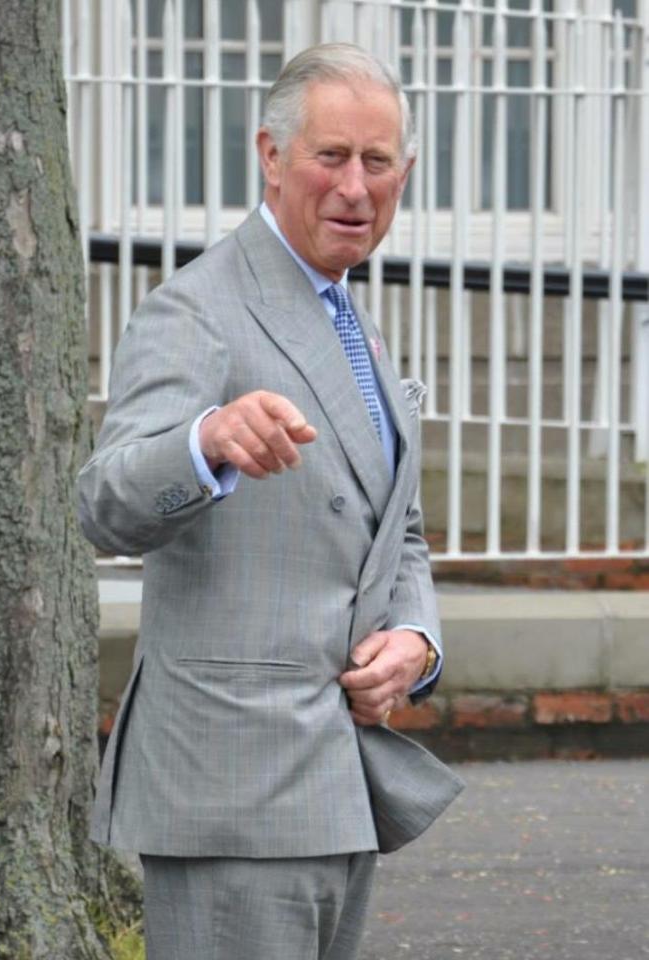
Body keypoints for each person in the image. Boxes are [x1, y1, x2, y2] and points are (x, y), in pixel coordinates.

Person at [79, 42, 463, 960]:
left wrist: (417, 640)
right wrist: (203, 442)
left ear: (404, 175)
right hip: (230, 792)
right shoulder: (198, 306)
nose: (355, 187)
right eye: (331, 156)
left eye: (378, 163)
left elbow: (394, 529)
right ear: (271, 155)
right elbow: (104, 500)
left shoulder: (351, 318)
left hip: (338, 780)